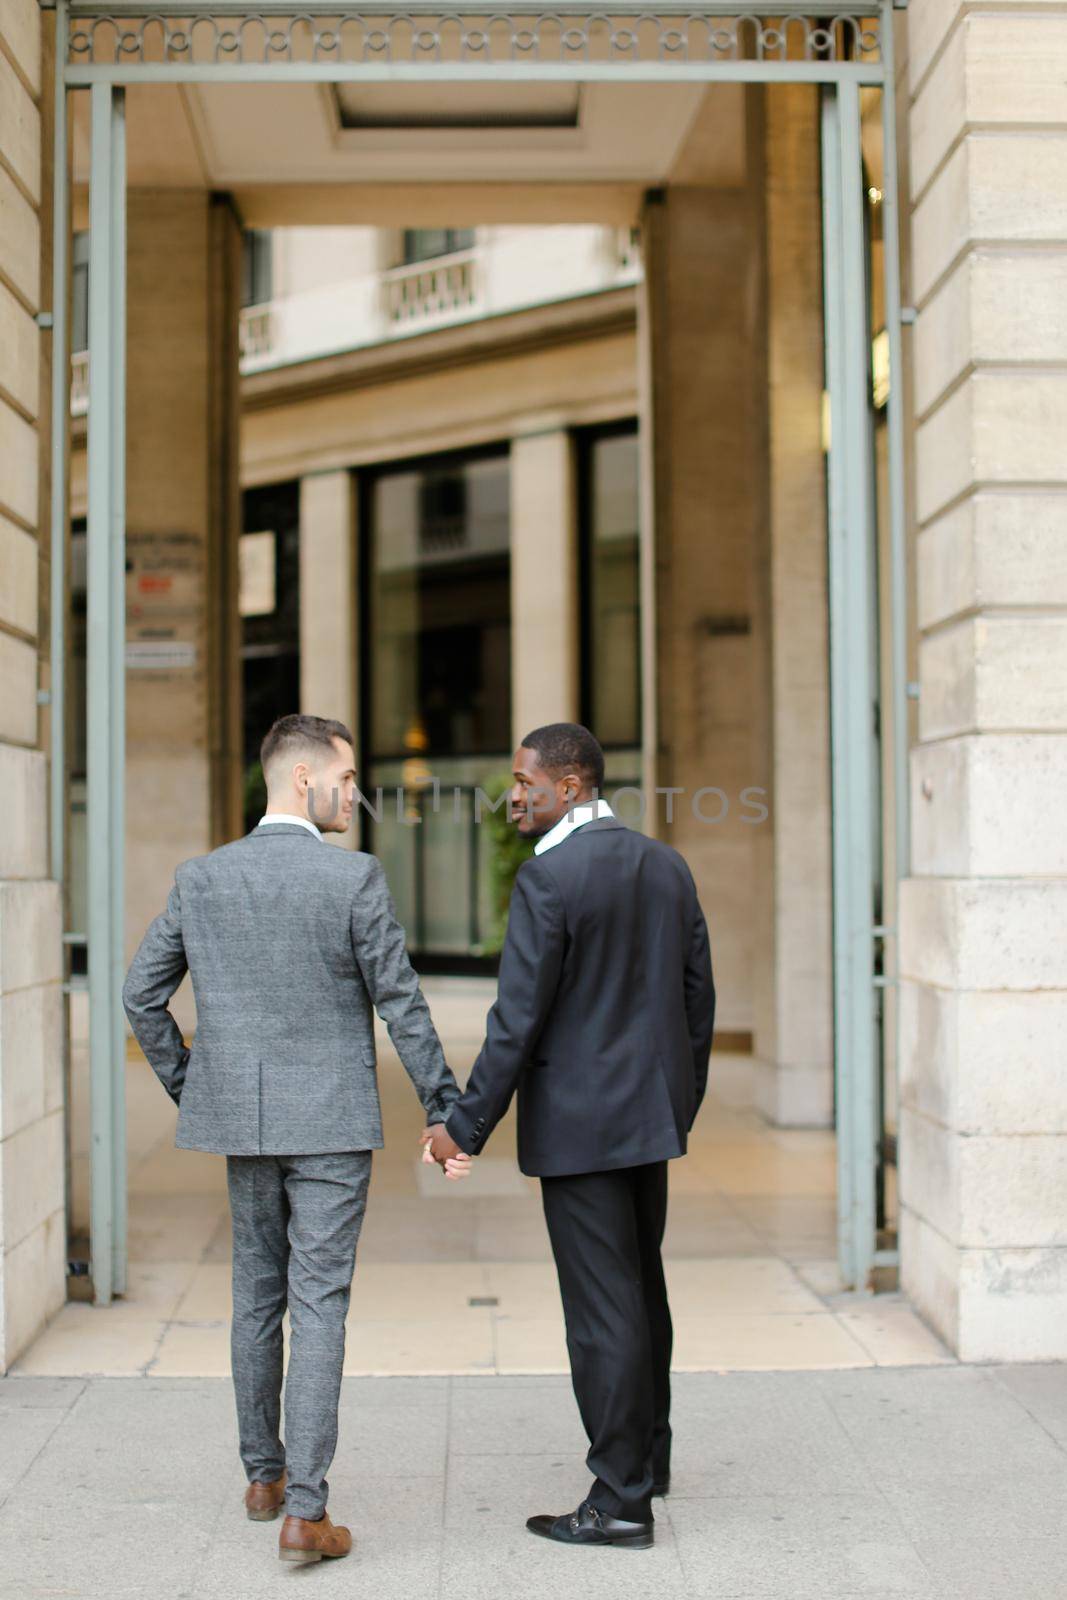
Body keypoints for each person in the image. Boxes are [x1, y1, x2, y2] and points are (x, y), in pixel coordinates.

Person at [123, 713, 469, 1566]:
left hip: (246, 1121)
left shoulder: (203, 878)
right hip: (333, 1124)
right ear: (305, 780)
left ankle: (263, 1478)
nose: (357, 795)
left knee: (256, 1295)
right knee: (319, 1306)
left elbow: (140, 997)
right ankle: (306, 1515)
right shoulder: (353, 882)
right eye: (348, 781)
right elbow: (402, 1002)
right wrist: (443, 1109)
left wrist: (198, 1086)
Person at [424, 722, 715, 1551]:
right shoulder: (666, 865)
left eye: (524, 781)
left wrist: (461, 1127)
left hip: (583, 1130)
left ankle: (619, 1502)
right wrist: (676, 1106)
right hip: (646, 1121)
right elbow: (698, 1000)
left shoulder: (548, 879)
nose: (513, 795)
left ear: (572, 784)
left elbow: (517, 1022)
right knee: (640, 1293)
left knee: (602, 1312)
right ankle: (647, 1461)